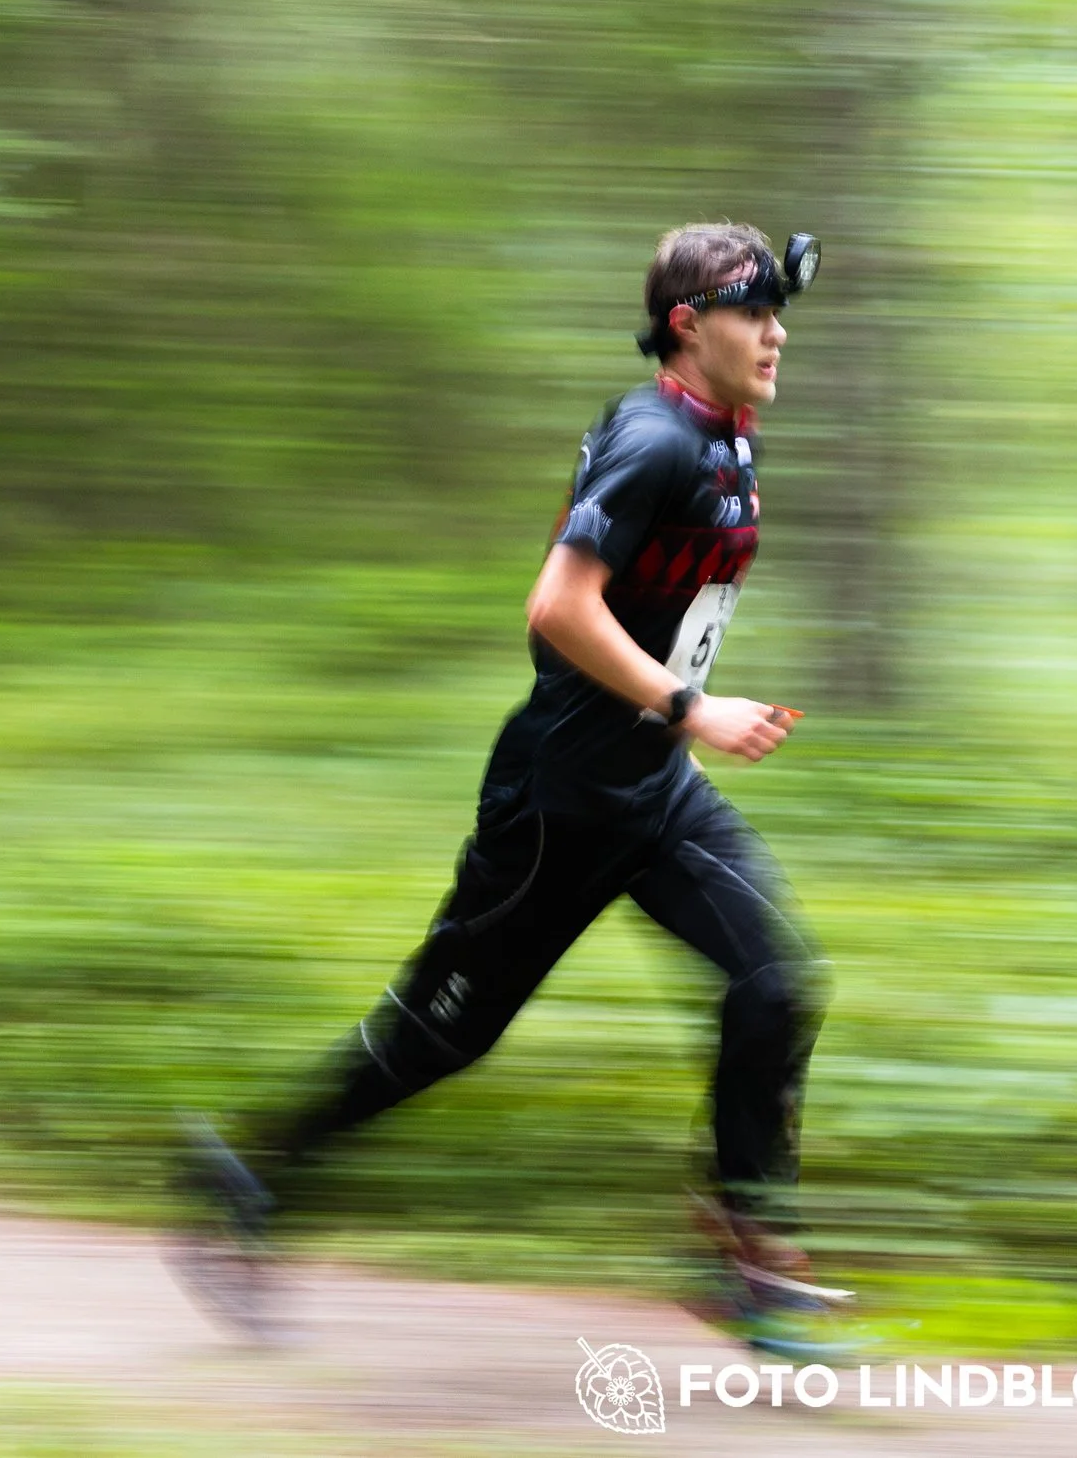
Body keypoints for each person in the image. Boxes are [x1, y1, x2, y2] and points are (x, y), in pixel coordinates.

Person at [176, 222, 839, 1336]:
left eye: (781, 314)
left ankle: (743, 1248)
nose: (775, 334)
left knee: (777, 984)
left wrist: (678, 715)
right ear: (688, 326)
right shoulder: (654, 440)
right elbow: (556, 606)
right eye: (753, 313)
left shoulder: (728, 441)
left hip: (651, 786)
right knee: (442, 1037)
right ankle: (250, 1171)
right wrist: (692, 708)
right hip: (558, 803)